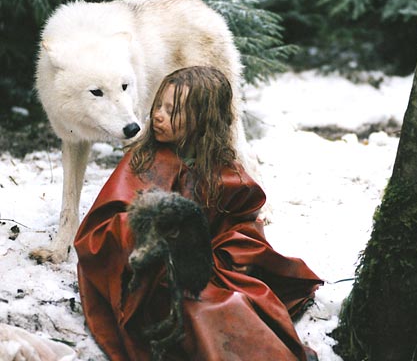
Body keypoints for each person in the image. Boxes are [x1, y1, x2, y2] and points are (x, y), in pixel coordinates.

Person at [74, 66, 323, 360]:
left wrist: (233, 255)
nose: (159, 115)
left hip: (211, 268)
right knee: (206, 307)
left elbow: (240, 226)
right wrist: (151, 236)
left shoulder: (221, 170)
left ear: (203, 121)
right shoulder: (142, 161)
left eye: (173, 111)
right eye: (160, 105)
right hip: (154, 277)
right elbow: (101, 229)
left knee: (245, 299)